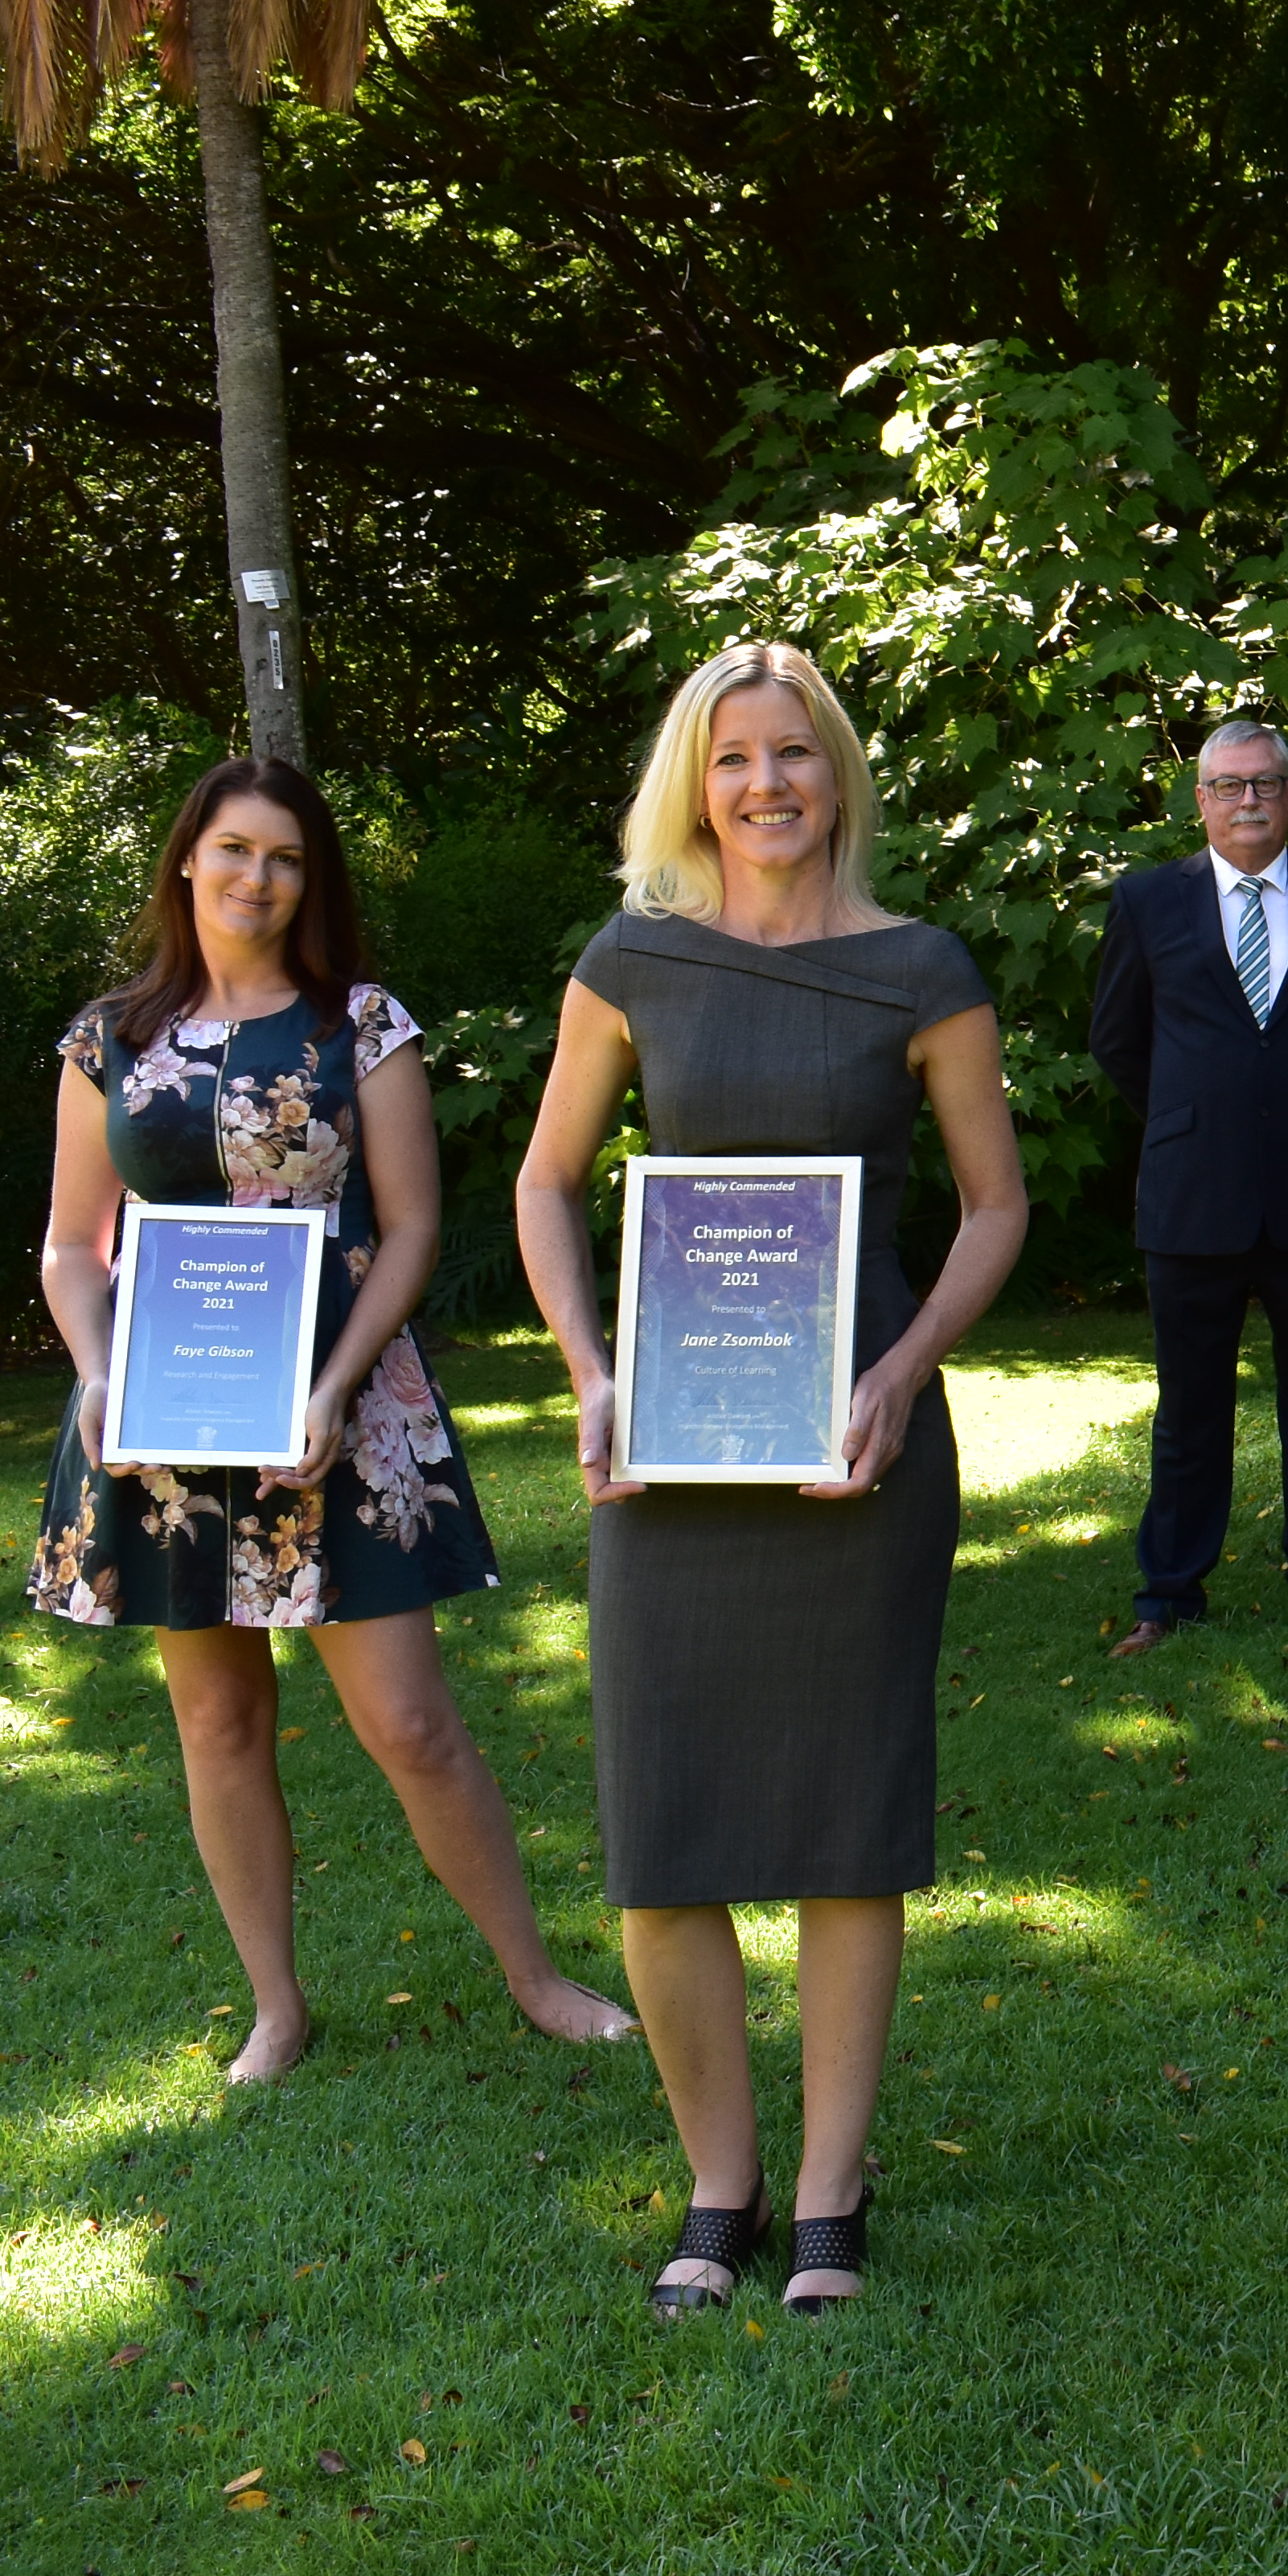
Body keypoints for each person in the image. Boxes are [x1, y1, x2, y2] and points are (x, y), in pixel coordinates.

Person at [513, 643, 1029, 2313]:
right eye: (734, 757)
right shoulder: (633, 957)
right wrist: (590, 1370)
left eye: (795, 755)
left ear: (840, 775)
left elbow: (995, 1202)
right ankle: (715, 2182)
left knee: (842, 1820)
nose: (766, 784)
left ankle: (828, 2191)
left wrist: (900, 1371)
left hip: (855, 1450)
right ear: (695, 780)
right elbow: (544, 1182)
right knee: (665, 1828)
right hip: (669, 1454)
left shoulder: (919, 966)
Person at [31, 759, 637, 2083]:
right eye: (235, 850)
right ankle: (277, 2009)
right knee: (217, 1724)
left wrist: (333, 1382)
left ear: (312, 881)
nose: (258, 878)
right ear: (187, 860)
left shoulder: (358, 1025)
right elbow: (75, 1245)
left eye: (288, 858)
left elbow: (411, 1228)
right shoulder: (109, 1038)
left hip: (339, 1414)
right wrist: (93, 1366)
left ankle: (536, 1979)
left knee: (411, 1722)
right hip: (165, 1428)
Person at [1092, 715, 1288, 1643]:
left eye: (1264, 783)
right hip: (1191, 1195)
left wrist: (1286, 1116)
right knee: (1189, 1409)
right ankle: (1170, 1591)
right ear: (1202, 802)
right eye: (1229, 785)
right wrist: (1198, 1123)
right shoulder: (1147, 902)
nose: (1248, 800)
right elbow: (1118, 1041)